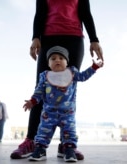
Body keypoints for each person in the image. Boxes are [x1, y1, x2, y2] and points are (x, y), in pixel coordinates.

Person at [10, 0, 103, 160]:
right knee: (42, 85)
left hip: (74, 38)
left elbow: (85, 13)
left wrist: (94, 39)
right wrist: (35, 37)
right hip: (48, 37)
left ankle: (66, 144)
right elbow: (40, 13)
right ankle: (32, 141)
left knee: (69, 86)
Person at [23, 46, 103, 162]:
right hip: (48, 114)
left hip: (67, 113)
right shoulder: (45, 76)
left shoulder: (72, 72)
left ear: (67, 62)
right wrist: (32, 101)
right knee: (43, 132)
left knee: (69, 132)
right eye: (53, 59)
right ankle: (40, 149)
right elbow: (39, 91)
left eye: (61, 58)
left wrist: (94, 67)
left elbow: (83, 76)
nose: (57, 60)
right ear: (48, 63)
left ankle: (69, 150)